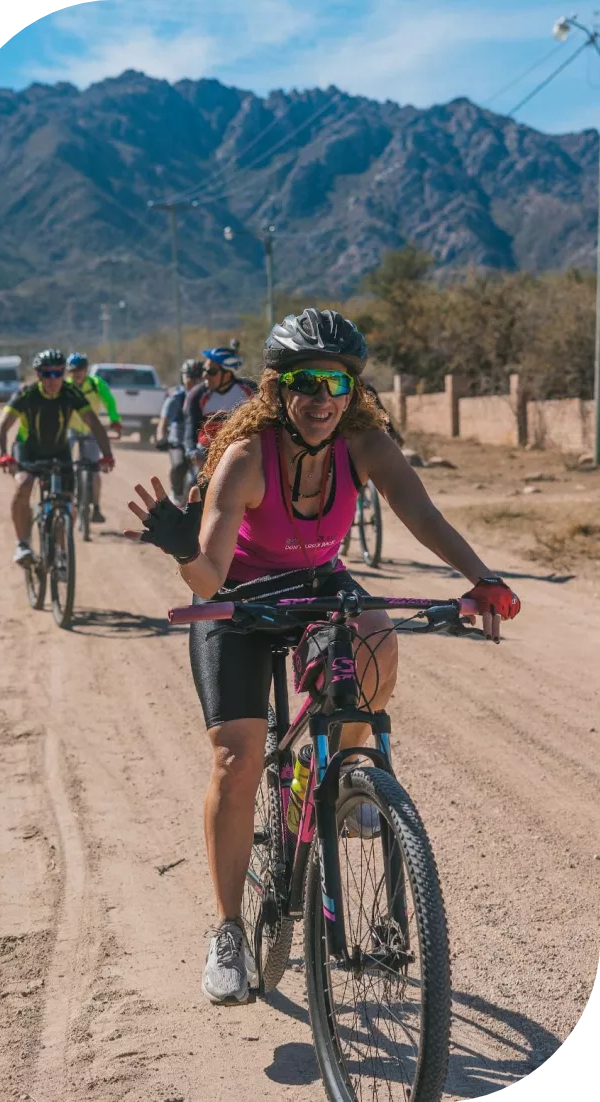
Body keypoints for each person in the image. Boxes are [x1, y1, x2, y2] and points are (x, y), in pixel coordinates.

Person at [124, 308, 521, 1006]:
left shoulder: (364, 445)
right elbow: (209, 576)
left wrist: (480, 579)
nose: (321, 398)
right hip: (241, 601)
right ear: (277, 390)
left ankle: (339, 781)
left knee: (378, 636)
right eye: (305, 382)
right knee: (237, 758)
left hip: (316, 584)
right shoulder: (247, 458)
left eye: (335, 383)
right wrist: (183, 546)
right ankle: (227, 931)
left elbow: (422, 515)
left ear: (352, 391)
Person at [0, 349, 115, 565]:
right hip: (28, 449)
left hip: (60, 451)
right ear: (38, 374)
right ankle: (22, 544)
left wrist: (107, 455)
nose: (53, 380)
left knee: (68, 501)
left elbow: (94, 424)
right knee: (24, 484)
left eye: (58, 374)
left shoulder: (70, 393)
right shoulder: (27, 394)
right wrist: (3, 454)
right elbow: (2, 426)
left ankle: (61, 551)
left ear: (63, 374)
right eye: (47, 374)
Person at [66, 352, 122, 523]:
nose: (76, 374)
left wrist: (115, 421)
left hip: (91, 430)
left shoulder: (96, 384)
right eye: (73, 370)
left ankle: (96, 508)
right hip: (72, 429)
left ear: (86, 370)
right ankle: (65, 502)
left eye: (80, 370)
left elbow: (110, 402)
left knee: (95, 469)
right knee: (64, 464)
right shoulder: (66, 386)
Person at [182, 346, 256, 460]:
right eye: (204, 369)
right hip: (206, 453)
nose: (204, 375)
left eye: (211, 371)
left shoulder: (251, 391)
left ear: (227, 374)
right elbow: (190, 427)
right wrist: (191, 450)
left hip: (239, 452)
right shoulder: (197, 395)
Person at [155, 359, 204, 506]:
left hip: (199, 441)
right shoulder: (176, 398)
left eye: (197, 378)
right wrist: (161, 439)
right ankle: (176, 492)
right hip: (177, 441)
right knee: (179, 465)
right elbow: (163, 423)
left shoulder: (206, 396)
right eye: (189, 377)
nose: (193, 382)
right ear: (183, 377)